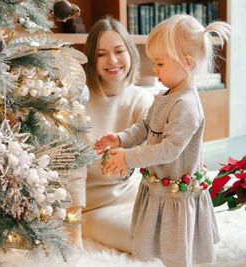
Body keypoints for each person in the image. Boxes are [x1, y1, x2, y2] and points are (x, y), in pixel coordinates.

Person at [94, 14, 231, 267]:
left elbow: (168, 150)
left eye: (159, 64)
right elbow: (145, 127)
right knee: (156, 244)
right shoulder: (165, 95)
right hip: (159, 188)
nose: (154, 70)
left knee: (176, 249)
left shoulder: (186, 105)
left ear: (187, 63)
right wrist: (121, 139)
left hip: (176, 195)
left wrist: (130, 157)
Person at [67, 17, 154, 252]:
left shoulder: (142, 99)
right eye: (101, 54)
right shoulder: (77, 104)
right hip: (95, 207)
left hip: (137, 195)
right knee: (148, 242)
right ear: (91, 60)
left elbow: (158, 153)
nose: (112, 60)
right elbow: (72, 171)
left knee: (177, 229)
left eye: (119, 50)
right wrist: (73, 230)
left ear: (130, 53)